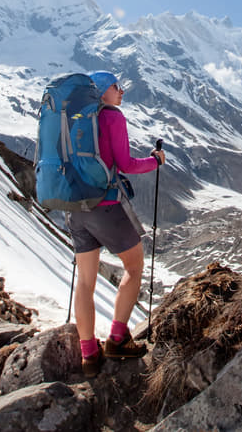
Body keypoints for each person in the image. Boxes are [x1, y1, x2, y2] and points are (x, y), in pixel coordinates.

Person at [68, 70, 165, 377]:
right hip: (105, 206)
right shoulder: (112, 117)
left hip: (74, 207)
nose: (121, 91)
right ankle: (117, 338)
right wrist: (156, 161)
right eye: (115, 86)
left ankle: (89, 355)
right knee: (134, 267)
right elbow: (125, 164)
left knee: (85, 281)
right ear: (101, 92)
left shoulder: (73, 119)